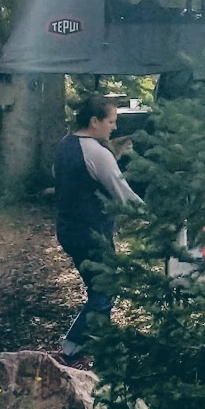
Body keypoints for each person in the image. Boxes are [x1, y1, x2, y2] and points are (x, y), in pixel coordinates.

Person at [55, 91, 141, 360]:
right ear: (95, 121)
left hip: (68, 229)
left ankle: (92, 346)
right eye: (111, 121)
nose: (114, 127)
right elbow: (122, 193)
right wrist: (154, 216)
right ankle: (73, 350)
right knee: (104, 292)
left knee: (99, 289)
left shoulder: (65, 144)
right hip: (91, 233)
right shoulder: (96, 153)